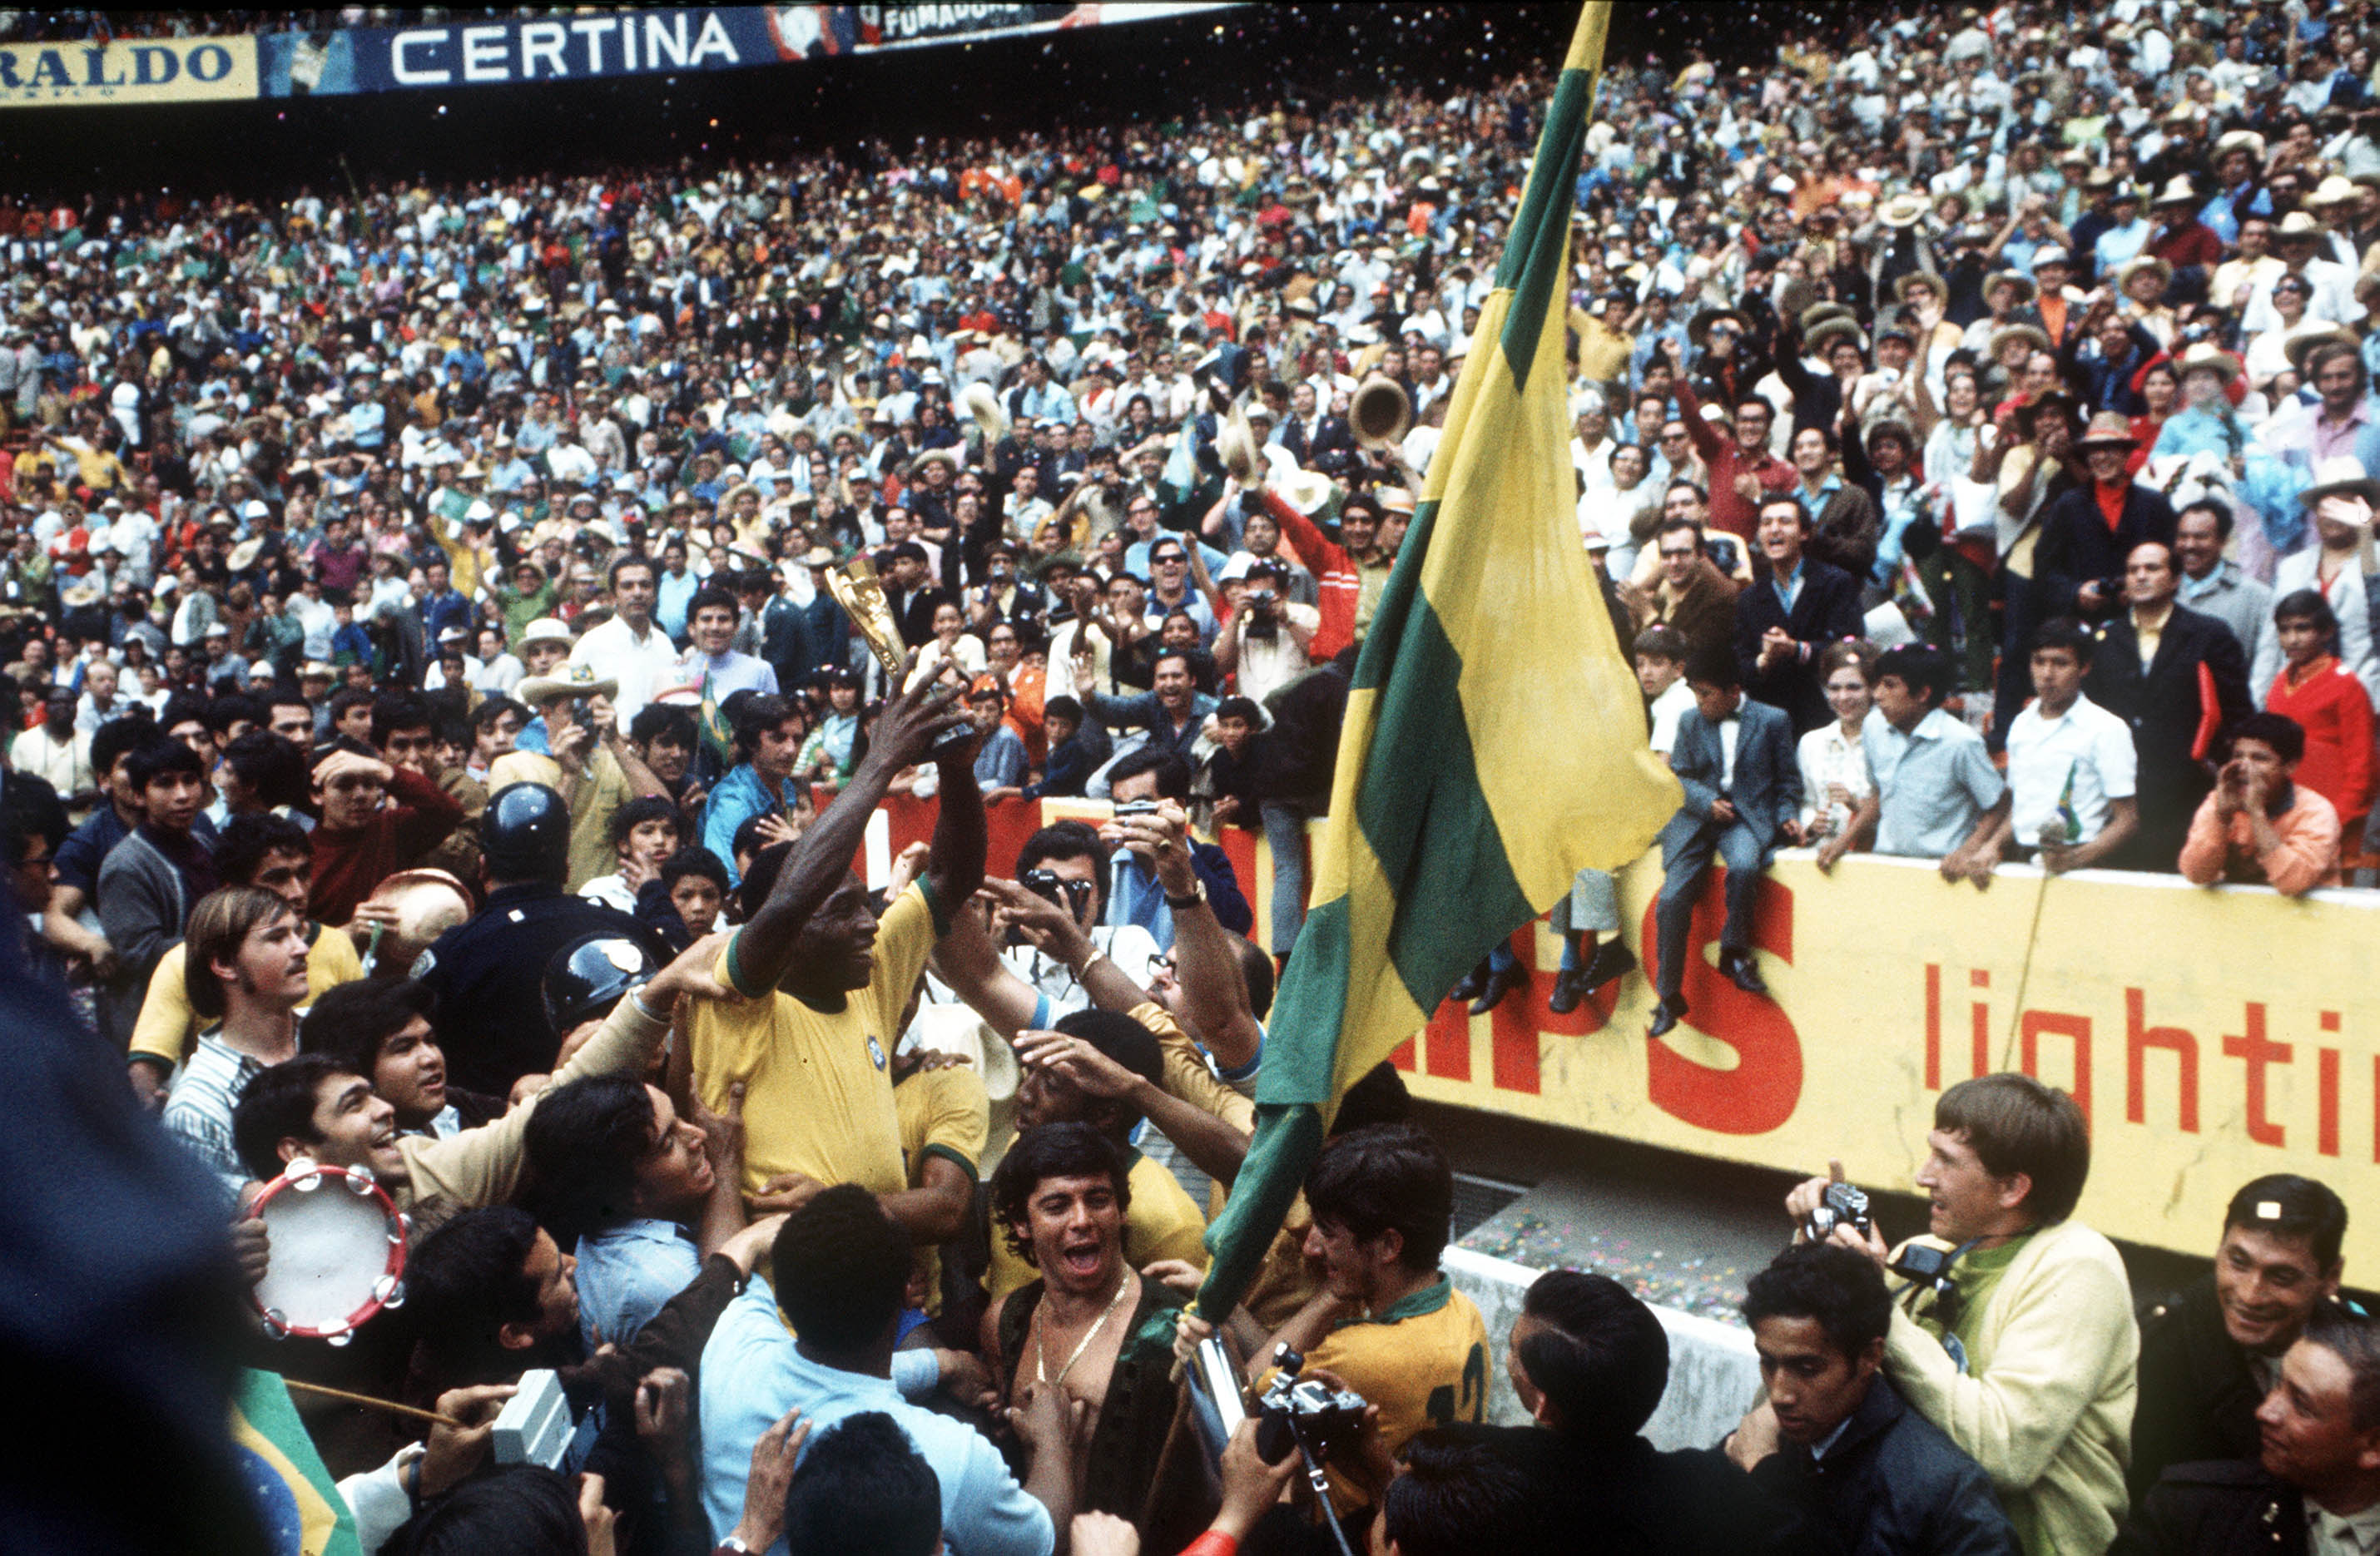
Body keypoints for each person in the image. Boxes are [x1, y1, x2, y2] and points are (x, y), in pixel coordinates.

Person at [681, 664, 984, 1224]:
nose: (870, 924)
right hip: (779, 1299)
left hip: (879, 1288)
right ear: (781, 932)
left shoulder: (864, 978)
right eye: (842, 911)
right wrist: (880, 760)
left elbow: (951, 878)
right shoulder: (733, 1000)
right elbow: (792, 901)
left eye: (863, 905)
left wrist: (956, 768)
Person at [1786, 1073, 2137, 1556]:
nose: (1922, 1176)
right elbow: (1801, 1383)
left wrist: (1877, 1303)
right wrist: (1815, 1251)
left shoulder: (2079, 1265)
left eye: (1946, 1161)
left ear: (2013, 1187)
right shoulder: (1921, 1252)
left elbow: (2003, 1454)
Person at [698, 1184, 1062, 1556]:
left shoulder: (731, 1347)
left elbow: (721, 1270)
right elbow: (1041, 1540)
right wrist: (1053, 1441)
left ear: (784, 1293)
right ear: (909, 1293)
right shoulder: (949, 1456)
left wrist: (941, 1365)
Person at [1252, 1122, 1490, 1516]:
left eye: (1328, 1232)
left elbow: (1253, 1389)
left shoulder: (1361, 1355)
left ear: (1388, 1245)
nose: (1312, 1245)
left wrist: (1330, 1296)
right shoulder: (1464, 1310)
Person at [1726, 1242, 2019, 1556]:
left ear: (1869, 1357)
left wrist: (1764, 1477)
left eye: (1808, 1369)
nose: (1780, 1394)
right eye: (1768, 1363)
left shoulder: (1943, 1492)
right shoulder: (1763, 1438)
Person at [989, 1122, 1197, 1544]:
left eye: (1098, 1200)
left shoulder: (1175, 1329)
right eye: (1057, 1205)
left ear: (1121, 1211)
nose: (1082, 1220)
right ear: (1021, 1223)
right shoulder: (1002, 1322)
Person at [412, 781, 660, 1096]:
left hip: (496, 1132)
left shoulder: (453, 953)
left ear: (483, 867)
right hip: (626, 1118)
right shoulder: (625, 930)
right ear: (566, 869)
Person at [2130, 1175, 2349, 1504]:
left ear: (2330, 1278)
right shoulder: (2161, 1350)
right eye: (2239, 1263)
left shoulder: (2354, 1351)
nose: (2250, 1295)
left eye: (2281, 1276)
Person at [2114, 1303, 2380, 1556]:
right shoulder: (2192, 1510)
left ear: (2373, 1446)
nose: (2264, 1412)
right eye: (2278, 1384)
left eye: (2301, 1405)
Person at [1649, 647, 1797, 1039]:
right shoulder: (1688, 720)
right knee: (1671, 900)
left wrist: (1787, 816)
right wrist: (1705, 803)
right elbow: (1678, 777)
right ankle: (1668, 997)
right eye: (1696, 694)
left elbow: (1787, 783)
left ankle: (1733, 953)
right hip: (1697, 820)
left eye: (1705, 694)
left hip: (1744, 818)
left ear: (1734, 691)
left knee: (1747, 866)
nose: (1699, 702)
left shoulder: (1773, 720)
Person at [2085, 539, 2255, 870]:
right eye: (2133, 570)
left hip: (2187, 790)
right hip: (2122, 793)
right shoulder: (2106, 639)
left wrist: (2216, 768)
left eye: (2152, 568)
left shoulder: (2209, 634)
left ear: (2176, 579)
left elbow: (2237, 713)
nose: (2141, 576)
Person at [158, 885, 312, 1196]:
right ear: (225, 965)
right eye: (277, 937)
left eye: (297, 933)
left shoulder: (332, 1033)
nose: (301, 949)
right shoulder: (197, 1108)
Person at [1832, 645, 2010, 884]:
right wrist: (1844, 841)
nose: (1877, 695)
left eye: (1890, 685)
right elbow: (1879, 792)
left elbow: (1998, 804)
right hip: (1886, 865)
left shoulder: (1960, 742)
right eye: (1878, 684)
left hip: (1941, 872)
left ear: (1923, 694)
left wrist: (1969, 849)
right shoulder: (1874, 726)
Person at [95, 737, 220, 1042]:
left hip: (209, 999)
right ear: (139, 795)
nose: (182, 795)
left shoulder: (204, 845)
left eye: (190, 781)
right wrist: (227, 945)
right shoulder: (126, 865)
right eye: (165, 784)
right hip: (157, 1017)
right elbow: (141, 953)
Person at [1996, 619, 2140, 870]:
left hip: (2081, 862)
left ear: (2084, 668)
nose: (2047, 674)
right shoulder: (2021, 724)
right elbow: (2020, 807)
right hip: (2021, 858)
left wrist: (2074, 860)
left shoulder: (2106, 728)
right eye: (2039, 662)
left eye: (2060, 663)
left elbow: (2127, 821)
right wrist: (1991, 847)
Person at [298, 974, 501, 1141]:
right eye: (404, 1048)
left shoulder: (468, 1108)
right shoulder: (364, 1158)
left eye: (430, 1040)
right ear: (356, 1070)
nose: (430, 1058)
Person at [1733, 495, 1865, 735]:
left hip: (1825, 714)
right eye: (1766, 523)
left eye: (1785, 522)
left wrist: (1797, 649)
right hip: (1770, 722)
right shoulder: (1749, 598)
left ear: (1804, 533)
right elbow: (1741, 665)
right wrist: (1763, 661)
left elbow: (1851, 647)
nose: (1774, 529)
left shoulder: (1835, 583)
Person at [2179, 712, 2343, 894]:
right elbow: (2196, 874)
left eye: (2260, 758)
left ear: (2290, 766)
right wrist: (2221, 817)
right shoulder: (2220, 800)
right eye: (2238, 756)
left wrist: (2256, 813)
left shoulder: (2316, 810)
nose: (2244, 767)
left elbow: (2293, 883)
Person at [2263, 592, 2376, 850]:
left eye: (2302, 629)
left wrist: (2338, 819)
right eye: (2284, 630)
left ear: (2326, 632)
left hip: (2331, 814)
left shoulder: (2346, 685)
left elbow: (2362, 765)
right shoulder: (2279, 683)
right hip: (2284, 812)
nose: (2293, 639)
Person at [701, 691, 806, 889]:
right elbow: (727, 886)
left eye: (798, 739)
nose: (792, 750)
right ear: (751, 743)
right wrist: (798, 848)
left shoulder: (785, 786)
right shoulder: (734, 803)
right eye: (778, 738)